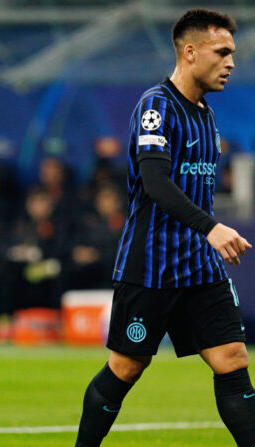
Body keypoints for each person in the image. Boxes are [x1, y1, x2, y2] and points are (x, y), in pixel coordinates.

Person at [75, 9, 254, 446]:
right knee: (127, 366)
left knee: (231, 358)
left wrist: (205, 236)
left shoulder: (206, 115)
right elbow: (155, 183)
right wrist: (211, 227)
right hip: (150, 266)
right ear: (190, 52)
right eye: (223, 52)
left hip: (200, 267)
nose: (231, 62)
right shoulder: (156, 106)